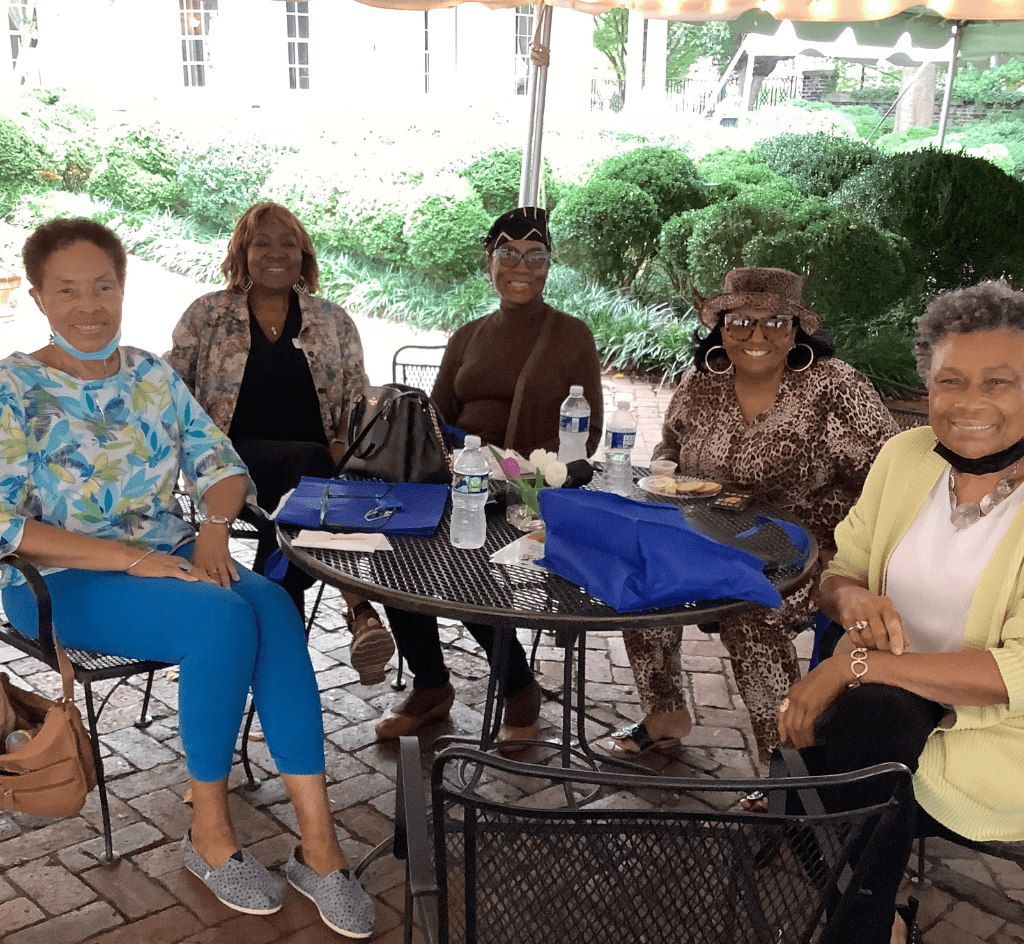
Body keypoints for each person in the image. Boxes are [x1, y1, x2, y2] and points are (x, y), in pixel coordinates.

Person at [0, 218, 375, 938]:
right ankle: (208, 831)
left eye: (103, 286)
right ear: (41, 297)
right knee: (222, 617)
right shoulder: (18, 387)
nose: (89, 305)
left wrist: (209, 531)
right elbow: (6, 524)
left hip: (172, 558)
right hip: (58, 580)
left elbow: (223, 468)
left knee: (270, 608)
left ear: (122, 287)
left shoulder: (149, 375)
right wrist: (135, 559)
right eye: (68, 290)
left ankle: (319, 848)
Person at [780, 279, 1024, 944]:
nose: (968, 400)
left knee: (864, 751)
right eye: (950, 379)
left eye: (999, 381)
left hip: (1001, 744)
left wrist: (855, 664)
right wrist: (851, 602)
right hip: (889, 720)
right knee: (800, 777)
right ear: (927, 383)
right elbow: (842, 568)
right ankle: (881, 932)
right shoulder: (907, 456)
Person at [604, 268, 897, 763]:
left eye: (775, 322)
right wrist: (663, 472)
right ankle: (665, 714)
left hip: (804, 552)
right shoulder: (704, 380)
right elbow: (671, 445)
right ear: (720, 326)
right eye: (739, 321)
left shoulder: (835, 388)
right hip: (706, 535)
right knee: (643, 584)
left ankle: (781, 759)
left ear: (796, 330)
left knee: (751, 616)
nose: (756, 336)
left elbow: (890, 475)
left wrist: (840, 548)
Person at [375, 206, 604, 743]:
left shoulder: (571, 336)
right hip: (465, 477)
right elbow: (435, 419)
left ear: (548, 267)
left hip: (531, 491)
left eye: (534, 256)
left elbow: (586, 435)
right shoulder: (468, 336)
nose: (519, 266)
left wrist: (533, 469)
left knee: (469, 559)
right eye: (507, 254)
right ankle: (431, 684)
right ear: (489, 263)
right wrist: (455, 460)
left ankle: (518, 685)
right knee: (394, 552)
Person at [168, 202, 394, 685]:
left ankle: (276, 655)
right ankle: (359, 608)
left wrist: (340, 444)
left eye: (287, 242)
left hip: (318, 474)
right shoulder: (208, 315)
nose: (276, 253)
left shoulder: (333, 321)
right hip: (227, 473)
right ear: (242, 253)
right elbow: (170, 394)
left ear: (304, 254)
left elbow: (359, 402)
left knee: (301, 486)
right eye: (261, 243)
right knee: (308, 473)